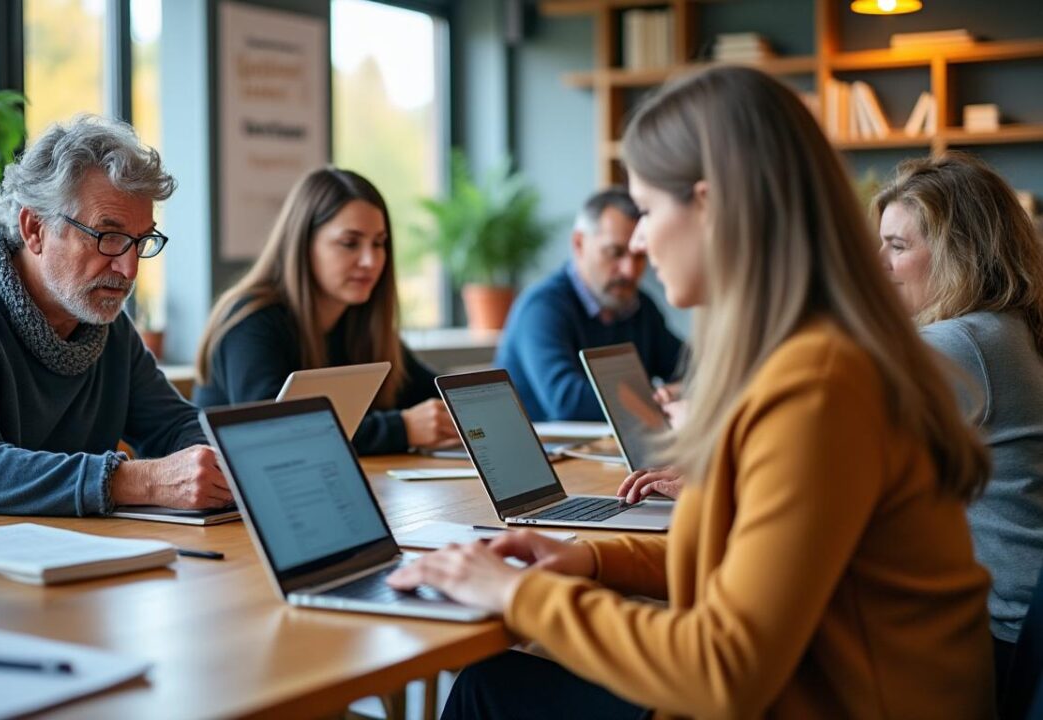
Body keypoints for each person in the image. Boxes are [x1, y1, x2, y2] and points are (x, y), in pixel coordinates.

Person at [388, 66, 995, 719]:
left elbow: (724, 670)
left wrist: (515, 595)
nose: (641, 241)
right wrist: (588, 558)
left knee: (489, 690)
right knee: (500, 684)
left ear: (709, 206)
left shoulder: (818, 385)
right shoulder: (813, 358)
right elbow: (745, 561)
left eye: (647, 210)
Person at [0, 115, 231, 528]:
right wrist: (138, 480)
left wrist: (209, 467)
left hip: (55, 557)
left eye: (140, 241)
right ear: (34, 228)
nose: (129, 268)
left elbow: (177, 426)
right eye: (107, 236)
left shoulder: (106, 328)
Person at [874, 152, 1043, 701]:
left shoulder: (960, 342)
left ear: (958, 255)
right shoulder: (1008, 329)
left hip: (998, 639)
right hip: (1022, 625)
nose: (878, 263)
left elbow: (833, 452)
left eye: (897, 247)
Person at [193, 167, 457, 455]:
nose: (370, 261)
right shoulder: (250, 321)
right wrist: (402, 428)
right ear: (303, 244)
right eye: (349, 243)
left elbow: (432, 390)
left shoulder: (358, 319)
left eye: (379, 243)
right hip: (237, 496)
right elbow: (275, 434)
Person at [495, 187, 684, 422]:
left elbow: (692, 369)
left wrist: (681, 390)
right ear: (579, 244)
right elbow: (567, 402)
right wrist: (656, 398)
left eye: (639, 256)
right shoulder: (542, 308)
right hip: (546, 455)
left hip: (610, 451)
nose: (629, 270)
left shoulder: (640, 306)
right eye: (615, 252)